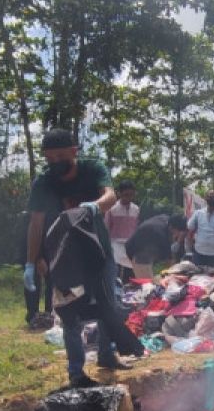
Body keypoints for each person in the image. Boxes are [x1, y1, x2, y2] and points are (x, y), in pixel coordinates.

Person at [25, 128, 141, 386]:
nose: (55, 163)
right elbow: (36, 223)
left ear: (74, 151)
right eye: (49, 158)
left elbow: (110, 195)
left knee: (106, 306)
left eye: (60, 156)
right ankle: (76, 372)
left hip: (97, 251)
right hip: (62, 258)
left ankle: (106, 356)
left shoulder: (92, 169)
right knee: (69, 314)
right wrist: (31, 262)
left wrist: (95, 206)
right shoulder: (44, 182)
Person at [126, 213, 187, 279]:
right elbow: (169, 262)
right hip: (140, 254)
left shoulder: (166, 219)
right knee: (147, 284)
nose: (178, 235)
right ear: (172, 228)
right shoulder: (161, 235)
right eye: (178, 232)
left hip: (145, 245)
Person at [105, 180, 141, 282]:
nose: (128, 197)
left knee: (131, 275)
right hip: (115, 245)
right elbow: (106, 228)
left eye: (131, 195)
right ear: (119, 193)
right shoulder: (112, 209)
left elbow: (137, 228)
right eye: (126, 195)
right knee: (116, 275)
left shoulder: (136, 209)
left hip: (131, 246)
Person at [186, 190, 214, 267]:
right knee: (197, 277)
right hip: (199, 253)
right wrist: (189, 249)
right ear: (206, 198)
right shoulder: (198, 213)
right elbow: (190, 230)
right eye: (210, 196)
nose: (212, 198)